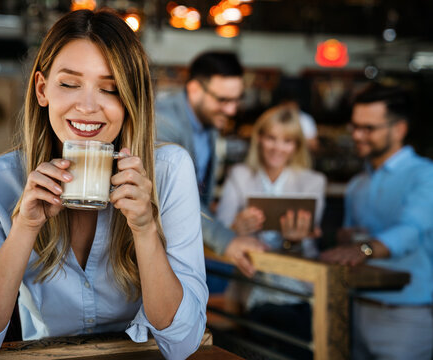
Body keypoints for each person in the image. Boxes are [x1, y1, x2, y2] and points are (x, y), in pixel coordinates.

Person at [0, 9, 208, 360]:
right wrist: (25, 227)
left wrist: (145, 229)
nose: (87, 106)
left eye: (110, 89)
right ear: (42, 89)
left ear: (131, 101)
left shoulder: (169, 171)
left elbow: (183, 343)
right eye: (69, 84)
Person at [320, 83, 433, 360]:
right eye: (355, 126)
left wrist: (363, 249)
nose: (357, 135)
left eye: (368, 128)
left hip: (405, 317)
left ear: (399, 129)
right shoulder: (357, 183)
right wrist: (345, 239)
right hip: (356, 310)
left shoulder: (425, 175)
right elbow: (351, 242)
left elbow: (411, 231)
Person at [216, 104, 326, 346]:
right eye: (271, 138)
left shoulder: (313, 182)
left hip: (298, 288)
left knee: (284, 327)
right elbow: (219, 229)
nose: (278, 147)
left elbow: (308, 245)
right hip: (251, 284)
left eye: (287, 141)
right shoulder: (240, 174)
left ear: (296, 146)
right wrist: (237, 227)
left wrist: (293, 241)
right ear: (260, 139)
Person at [156, 51, 265, 278]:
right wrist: (226, 239)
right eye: (223, 100)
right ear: (195, 89)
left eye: (236, 100)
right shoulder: (163, 121)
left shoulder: (208, 121)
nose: (232, 110)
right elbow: (173, 195)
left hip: (185, 246)